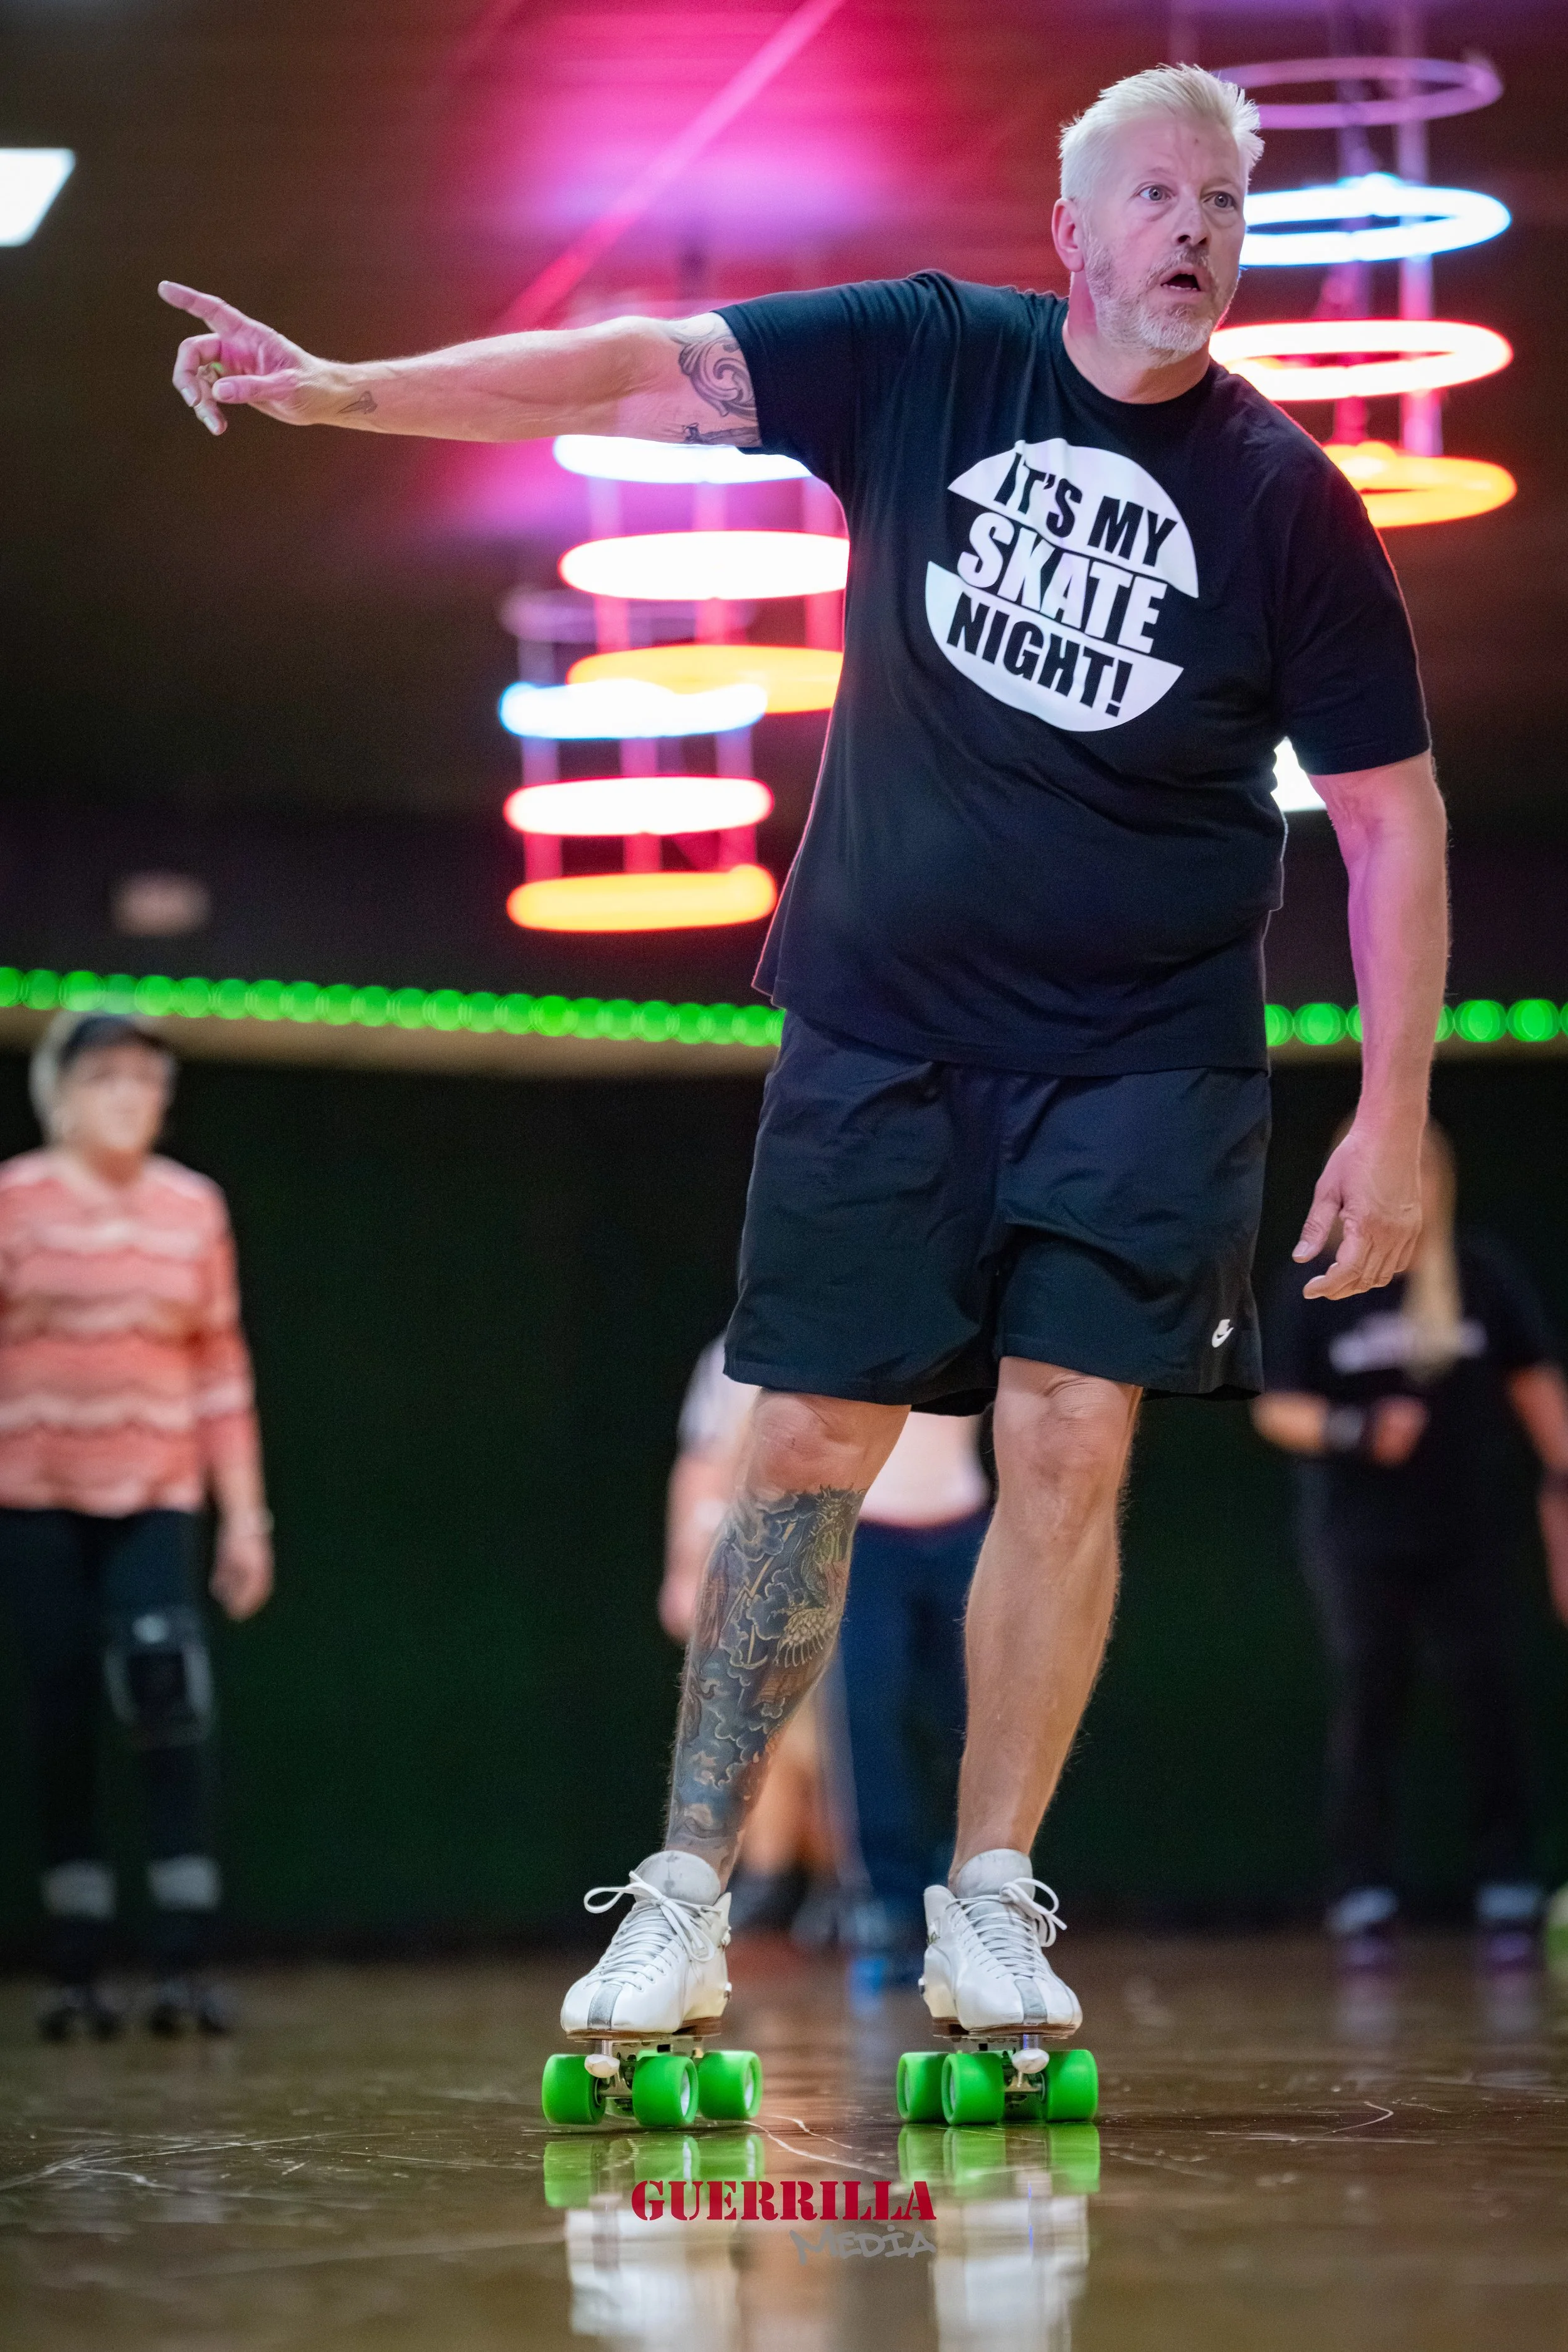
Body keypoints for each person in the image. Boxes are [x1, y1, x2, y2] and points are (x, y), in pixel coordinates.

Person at [162, 61, 1448, 2050]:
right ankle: (683, 1886)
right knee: (804, 1444)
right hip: (884, 1030)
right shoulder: (926, 359)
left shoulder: (1284, 499)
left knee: (1063, 1433)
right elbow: (617, 368)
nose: (1194, 228)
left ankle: (991, 1896)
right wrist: (344, 389)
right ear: (1075, 234)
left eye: (1221, 199)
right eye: (1156, 196)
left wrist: (1389, 1100)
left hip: (1143, 1055)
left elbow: (1384, 819)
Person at [0, 1013, 273, 2036]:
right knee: (61, 1700)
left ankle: (184, 1962)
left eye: (150, 1082)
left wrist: (247, 1520)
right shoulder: (14, 1200)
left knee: (166, 1702)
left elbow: (221, 1368)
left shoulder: (191, 1208)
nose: (134, 1098)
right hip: (33, 1496)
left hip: (155, 1493)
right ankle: (73, 1966)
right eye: (110, 1079)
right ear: (62, 1092)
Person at [1254, 1123, 1568, 1961]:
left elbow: (1542, 1398)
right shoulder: (1320, 1284)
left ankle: (1508, 1881)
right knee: (1371, 1696)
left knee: (1488, 1695)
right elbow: (1275, 1406)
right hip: (1359, 1537)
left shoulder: (1484, 1274)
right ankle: (1362, 1888)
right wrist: (1356, 1427)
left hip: (1469, 1532)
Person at [666, 1340, 990, 1950]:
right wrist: (690, 1569)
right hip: (857, 1534)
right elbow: (711, 1457)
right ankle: (883, 1898)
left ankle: (976, 1888)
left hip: (962, 1529)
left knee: (977, 1717)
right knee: (860, 1717)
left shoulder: (961, 1313)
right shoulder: (772, 1333)